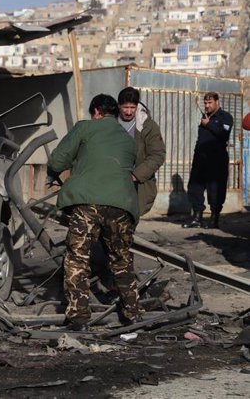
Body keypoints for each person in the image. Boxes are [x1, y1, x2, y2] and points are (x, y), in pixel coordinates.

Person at [47, 94, 143, 331]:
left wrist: (55, 171)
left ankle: (79, 318)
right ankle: (133, 314)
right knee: (121, 261)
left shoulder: (85, 128)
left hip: (88, 204)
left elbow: (58, 161)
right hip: (122, 206)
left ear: (97, 111)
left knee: (78, 259)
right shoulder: (128, 138)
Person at [183, 92, 233, 229]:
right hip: (200, 159)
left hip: (217, 160)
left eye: (210, 103)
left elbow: (224, 134)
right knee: (194, 188)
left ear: (217, 102)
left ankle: (214, 219)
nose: (207, 106)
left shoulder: (225, 117)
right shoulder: (205, 117)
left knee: (215, 190)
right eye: (205, 103)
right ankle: (197, 218)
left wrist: (209, 124)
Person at [117, 87, 166, 216]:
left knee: (128, 222)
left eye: (132, 108)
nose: (128, 112)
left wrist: (136, 175)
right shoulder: (110, 123)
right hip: (112, 180)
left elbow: (158, 155)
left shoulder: (147, 126)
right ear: (119, 106)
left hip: (136, 184)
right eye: (125, 108)